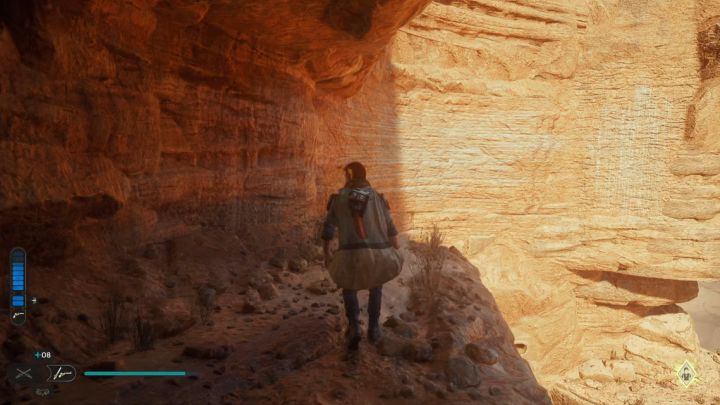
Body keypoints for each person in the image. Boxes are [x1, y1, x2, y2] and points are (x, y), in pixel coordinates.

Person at [322, 162, 402, 351]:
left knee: (349, 287)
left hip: (350, 255)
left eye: (345, 176)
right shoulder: (379, 198)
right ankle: (374, 329)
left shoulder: (338, 199)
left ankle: (354, 328)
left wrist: (327, 254)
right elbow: (392, 230)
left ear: (350, 176)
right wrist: (396, 249)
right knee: (376, 286)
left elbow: (328, 229)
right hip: (377, 255)